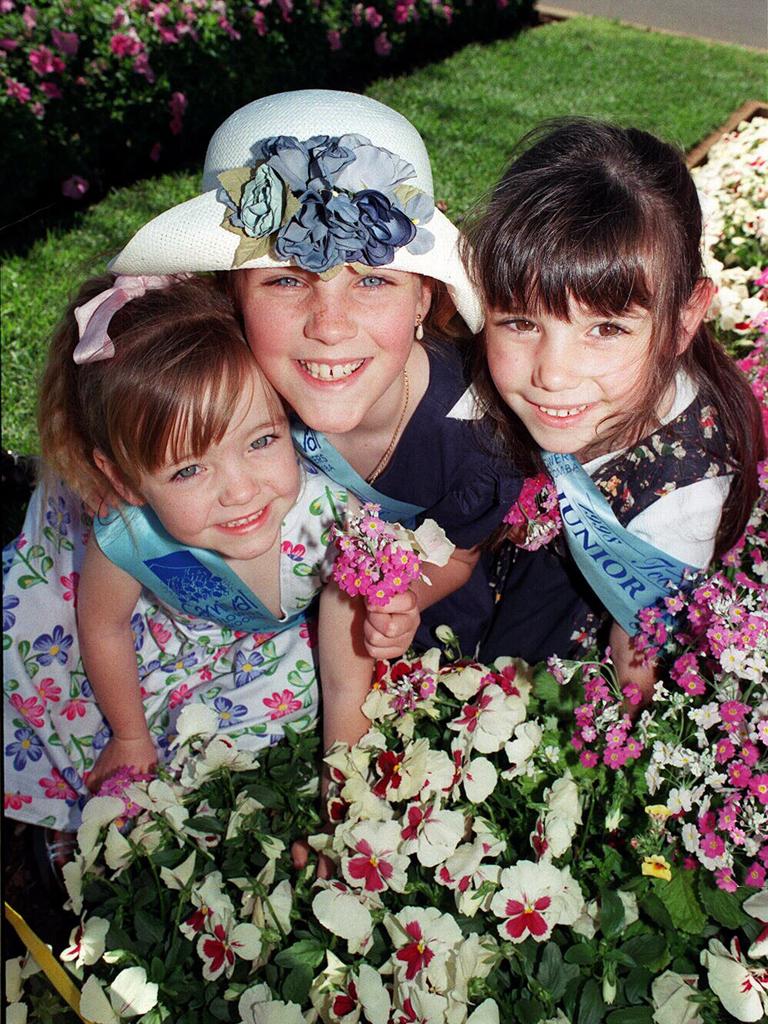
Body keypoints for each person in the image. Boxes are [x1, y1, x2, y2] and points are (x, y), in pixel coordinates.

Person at [109, 88, 521, 658]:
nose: (329, 326)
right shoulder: (221, 386)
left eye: (372, 280)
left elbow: (460, 554)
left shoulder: (476, 443)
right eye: (286, 280)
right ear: (233, 297)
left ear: (424, 298)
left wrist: (393, 600)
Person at [3, 274, 374, 835]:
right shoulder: (132, 532)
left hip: (271, 666)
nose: (240, 491)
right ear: (123, 480)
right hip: (161, 649)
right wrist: (130, 735)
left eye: (260, 441)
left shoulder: (334, 526)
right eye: (189, 469)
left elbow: (346, 680)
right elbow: (102, 625)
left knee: (247, 775)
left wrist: (342, 787)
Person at [462, 118, 764, 695]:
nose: (552, 373)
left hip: (566, 640)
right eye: (521, 322)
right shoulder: (484, 374)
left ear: (682, 321)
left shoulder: (684, 493)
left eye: (605, 329)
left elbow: (637, 654)